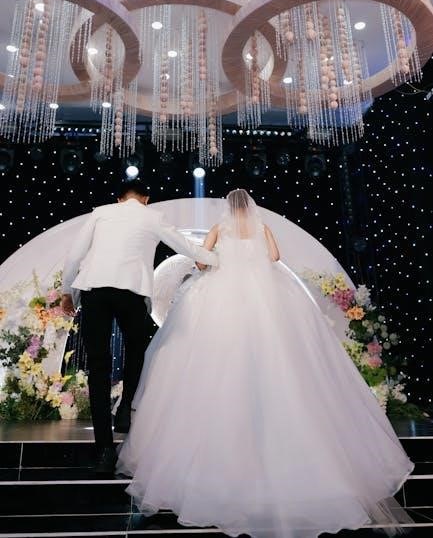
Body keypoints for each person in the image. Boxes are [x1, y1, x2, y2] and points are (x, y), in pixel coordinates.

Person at [117, 189, 414, 538]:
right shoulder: (262, 228)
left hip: (222, 299)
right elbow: (274, 257)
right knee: (275, 361)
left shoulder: (219, 228)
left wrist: (215, 263)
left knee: (213, 362)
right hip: (263, 300)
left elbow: (201, 262)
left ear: (229, 208)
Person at [61, 180, 217, 473]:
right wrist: (219, 258)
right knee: (136, 351)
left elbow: (74, 255)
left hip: (95, 291)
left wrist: (67, 291)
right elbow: (185, 246)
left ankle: (105, 450)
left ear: (119, 199)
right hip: (131, 293)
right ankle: (125, 408)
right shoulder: (152, 216)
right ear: (146, 199)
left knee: (98, 366)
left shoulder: (101, 212)